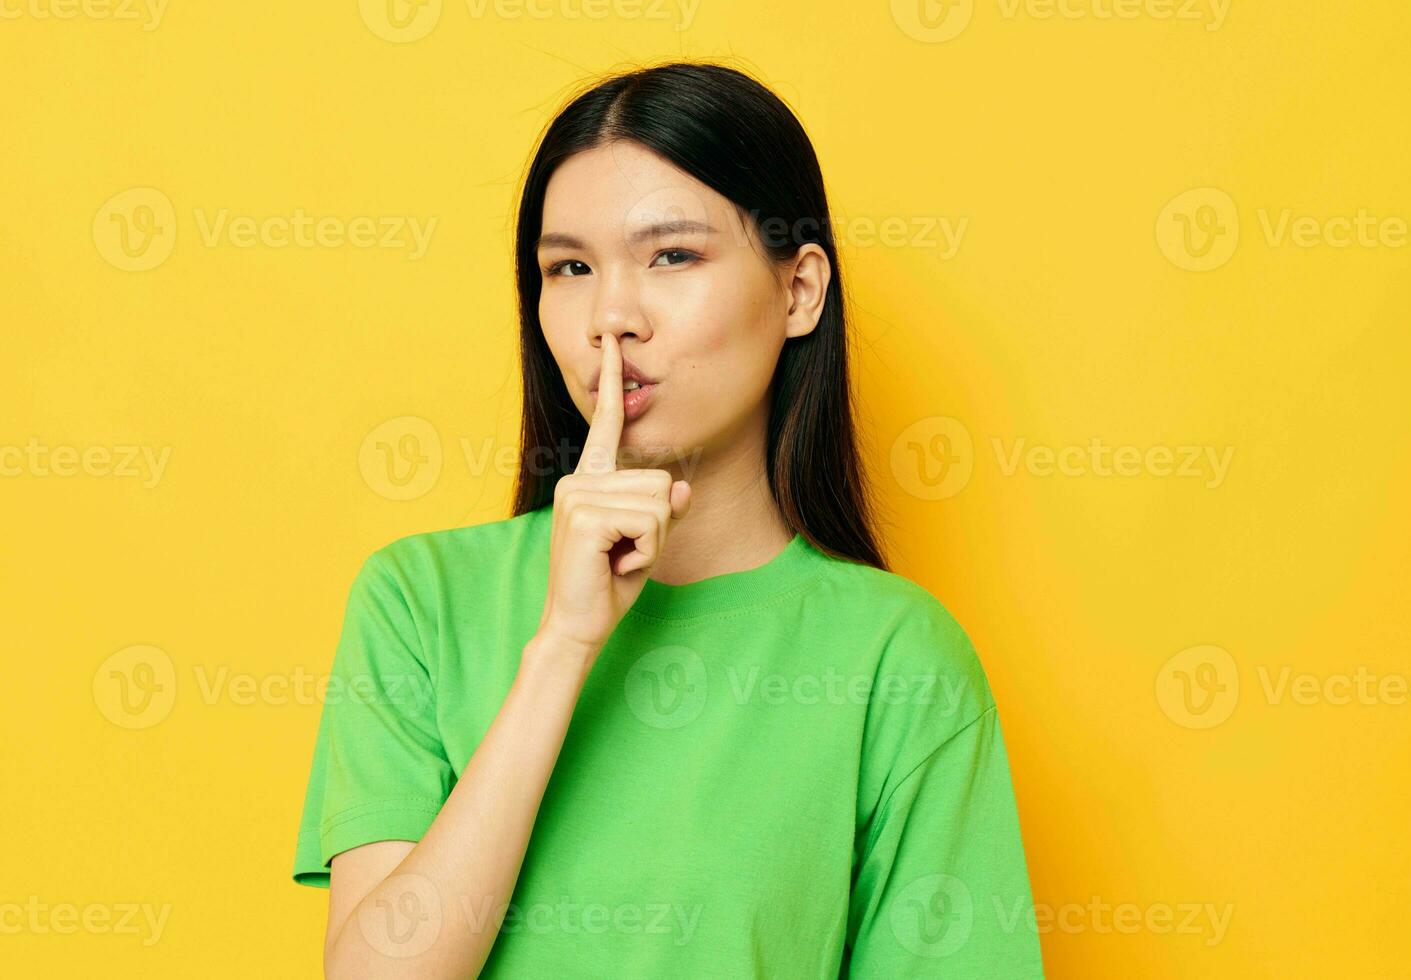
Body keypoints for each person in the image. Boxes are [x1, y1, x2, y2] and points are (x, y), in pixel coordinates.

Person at [291, 60, 1043, 979]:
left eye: (672, 256)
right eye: (569, 267)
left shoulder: (896, 658)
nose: (610, 317)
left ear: (800, 291)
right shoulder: (419, 599)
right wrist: (563, 645)